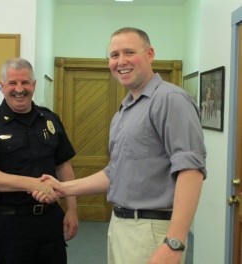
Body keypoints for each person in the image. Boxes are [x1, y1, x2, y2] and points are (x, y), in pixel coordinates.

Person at [33, 27, 206, 264]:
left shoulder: (170, 99)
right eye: (114, 55)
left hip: (151, 230)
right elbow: (115, 173)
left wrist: (174, 241)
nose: (121, 61)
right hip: (122, 226)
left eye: (129, 52)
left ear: (150, 54)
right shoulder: (125, 110)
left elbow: (191, 171)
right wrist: (63, 188)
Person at [0, 58, 78, 264]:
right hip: (10, 225)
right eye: (12, 83)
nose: (19, 89)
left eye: (25, 83)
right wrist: (32, 184)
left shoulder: (50, 120)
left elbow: (63, 165)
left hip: (50, 220)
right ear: (2, 86)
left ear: (33, 85)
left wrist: (72, 210)